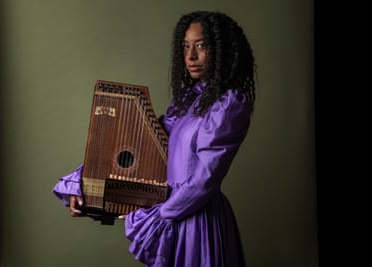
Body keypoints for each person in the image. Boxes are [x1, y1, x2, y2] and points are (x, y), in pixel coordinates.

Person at [53, 10, 256, 267]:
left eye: (201, 46)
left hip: (196, 219)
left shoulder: (229, 104)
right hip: (173, 212)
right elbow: (145, 146)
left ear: (222, 49)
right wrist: (83, 184)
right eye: (185, 47)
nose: (190, 56)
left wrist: (159, 216)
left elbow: (204, 181)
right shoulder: (188, 101)